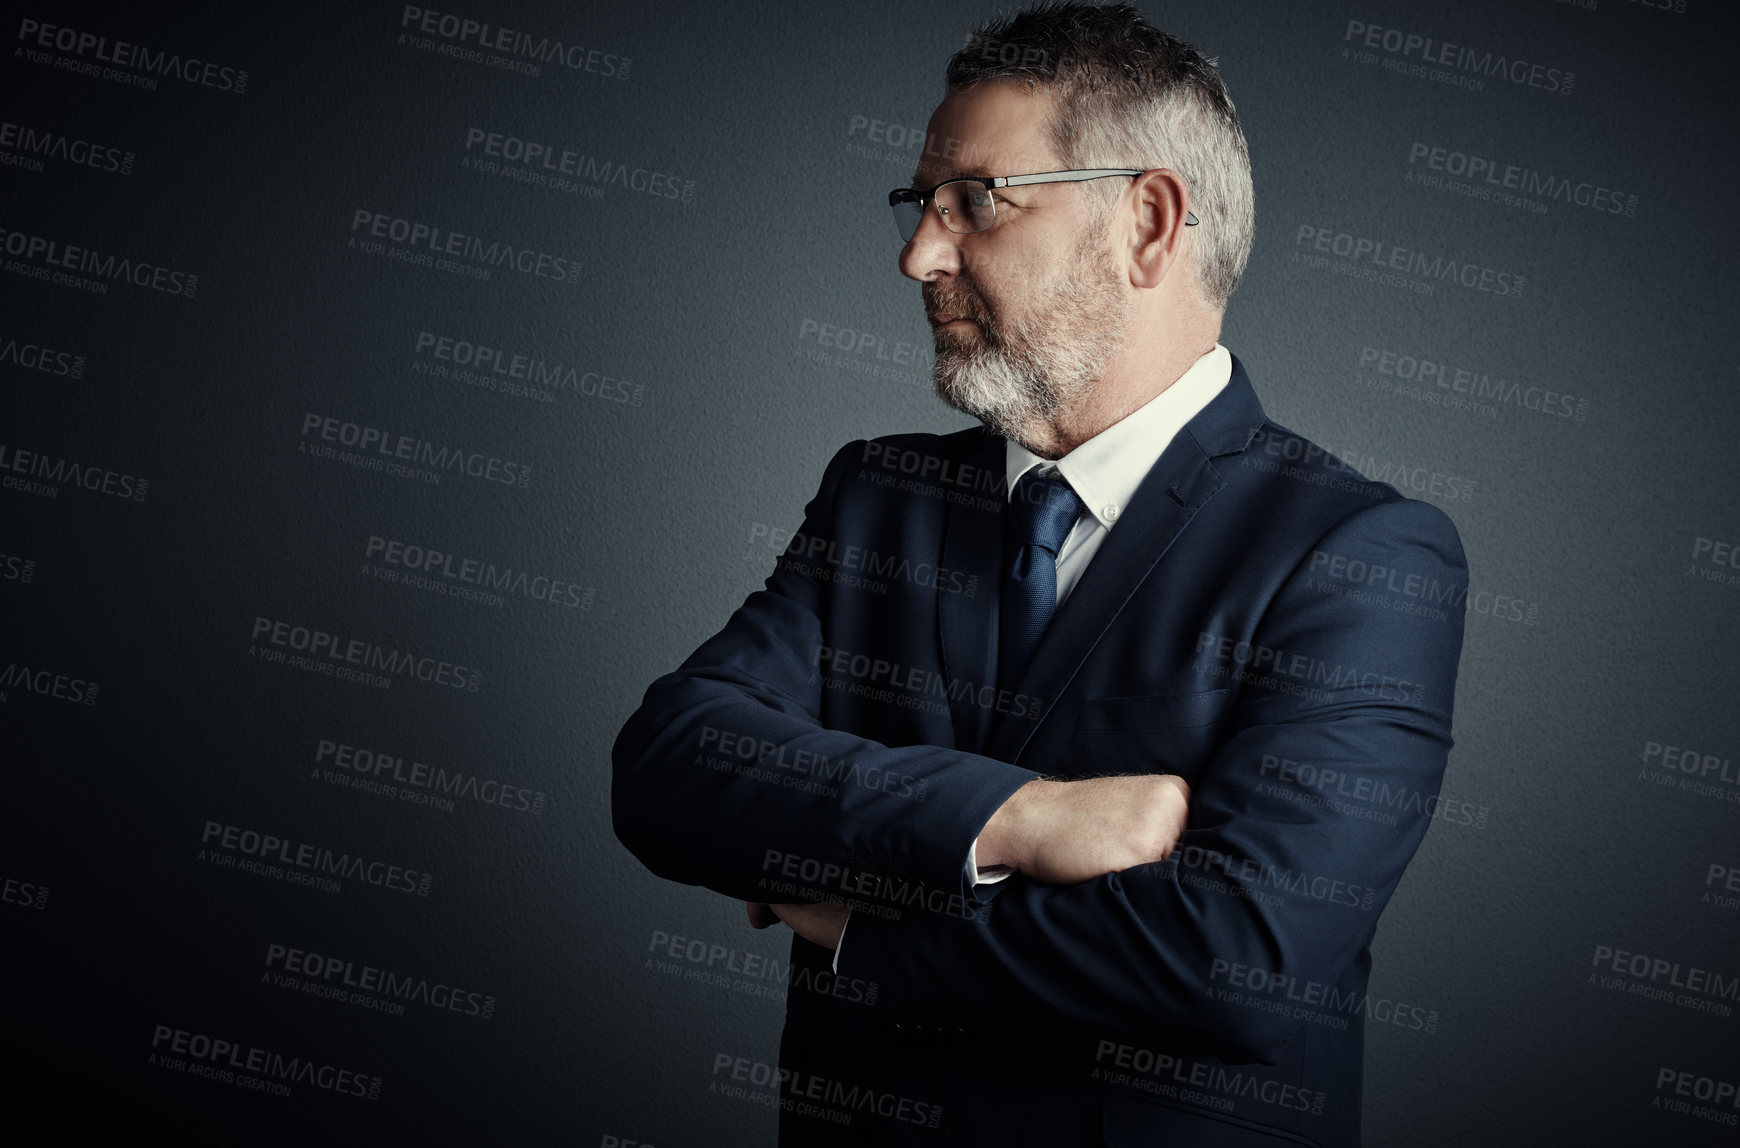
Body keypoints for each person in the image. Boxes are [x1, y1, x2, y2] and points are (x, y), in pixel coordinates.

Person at [613, 4, 1468, 1143]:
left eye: (974, 201)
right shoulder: (881, 494)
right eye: (919, 205)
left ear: (1148, 224)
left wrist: (863, 930)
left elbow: (1241, 960)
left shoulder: (1361, 555)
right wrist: (1015, 818)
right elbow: (671, 766)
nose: (918, 252)